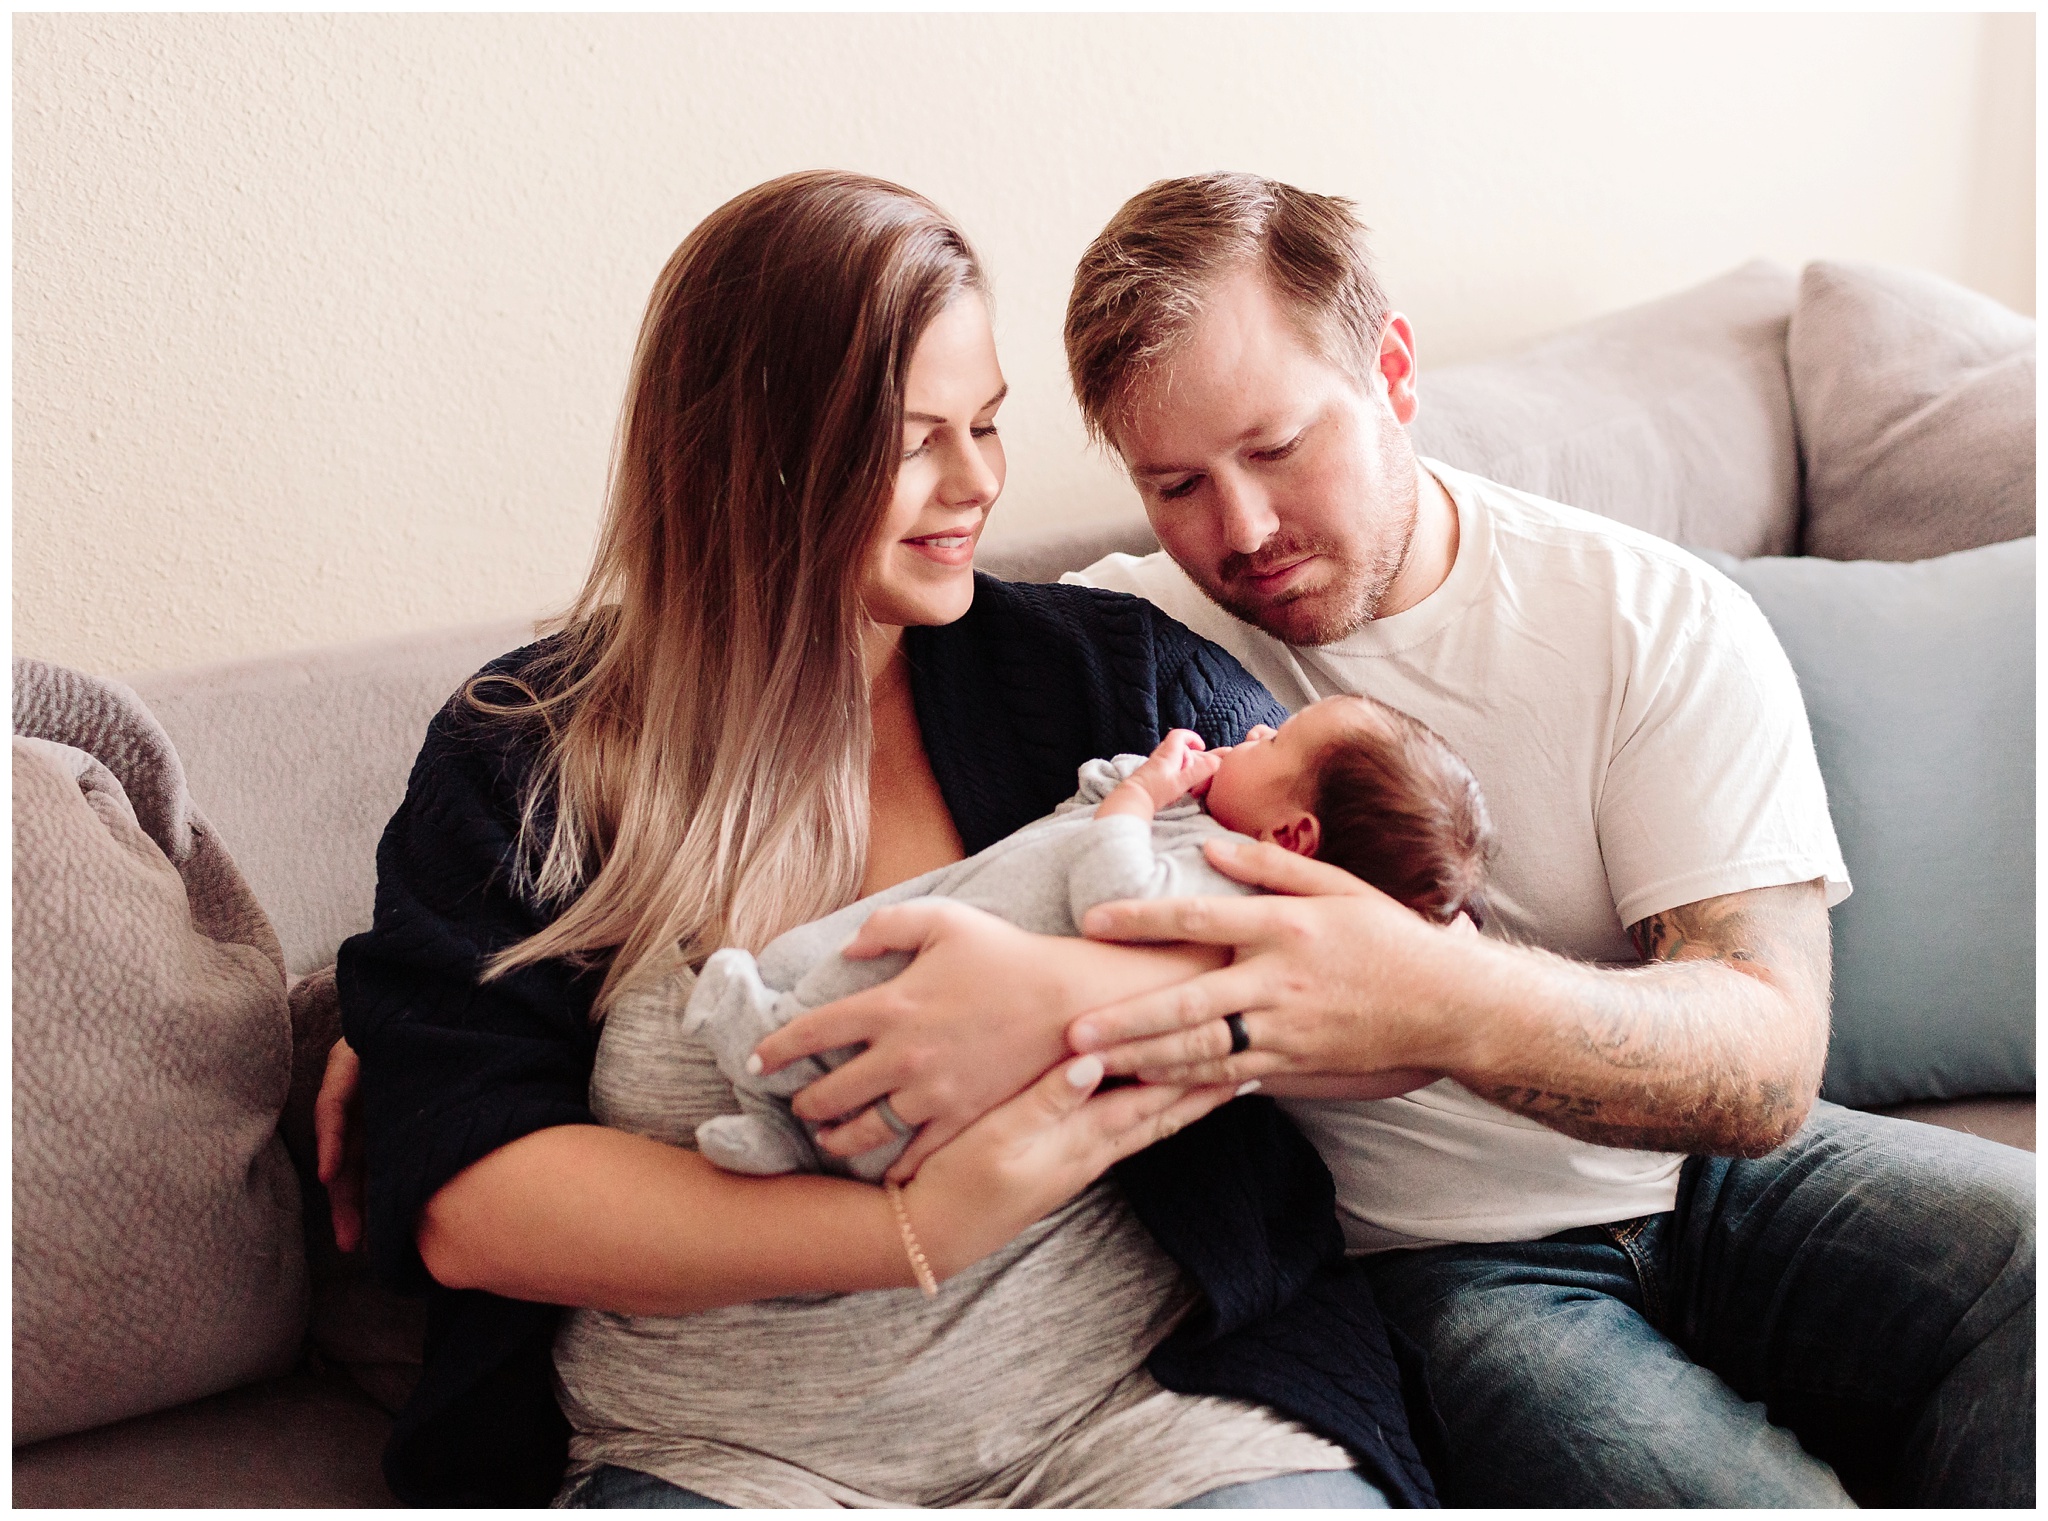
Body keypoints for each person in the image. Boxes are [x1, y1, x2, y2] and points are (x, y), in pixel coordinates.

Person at [324, 170, 1434, 1507]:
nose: (976, 483)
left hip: (1159, 1411)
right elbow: (470, 1200)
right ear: (746, 455)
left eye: (988, 424)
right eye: (914, 442)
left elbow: (1408, 974)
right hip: (730, 1460)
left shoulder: (1108, 682)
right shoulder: (529, 754)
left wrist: (1078, 992)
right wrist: (905, 1228)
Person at [1037, 172, 2033, 1506]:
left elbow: (1764, 1062)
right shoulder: (1114, 649)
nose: (1242, 531)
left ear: (1391, 371)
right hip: (1440, 1264)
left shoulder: (1644, 617)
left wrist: (1430, 990)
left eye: (1275, 448)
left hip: (1718, 1182)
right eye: (1174, 485)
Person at [684, 700, 1488, 1181]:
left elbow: (1113, 894)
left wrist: (1140, 796)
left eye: (1274, 743)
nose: (1252, 728)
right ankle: (785, 1135)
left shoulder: (1230, 891)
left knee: (850, 992)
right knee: (843, 998)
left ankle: (756, 1037)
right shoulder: (1205, 823)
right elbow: (1083, 811)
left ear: (1293, 836)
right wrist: (1144, 780)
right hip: (968, 943)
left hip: (953, 977)